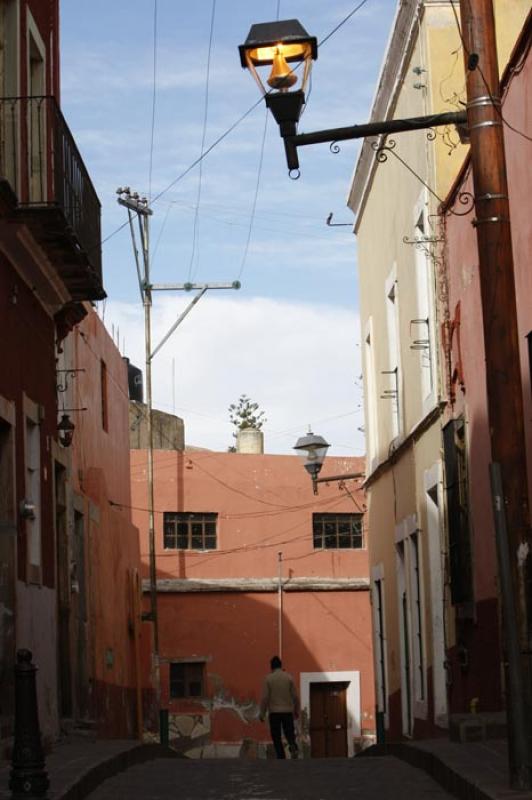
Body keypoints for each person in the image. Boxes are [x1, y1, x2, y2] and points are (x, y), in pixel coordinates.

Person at [259, 655, 299, 759]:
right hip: (287, 711)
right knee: (289, 733)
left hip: (274, 712)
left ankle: (281, 757)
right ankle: (292, 745)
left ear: (271, 667)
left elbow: (265, 698)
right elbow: (295, 696)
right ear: (281, 666)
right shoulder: (289, 677)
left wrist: (262, 713)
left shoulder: (268, 679)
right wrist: (296, 710)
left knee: (276, 736)